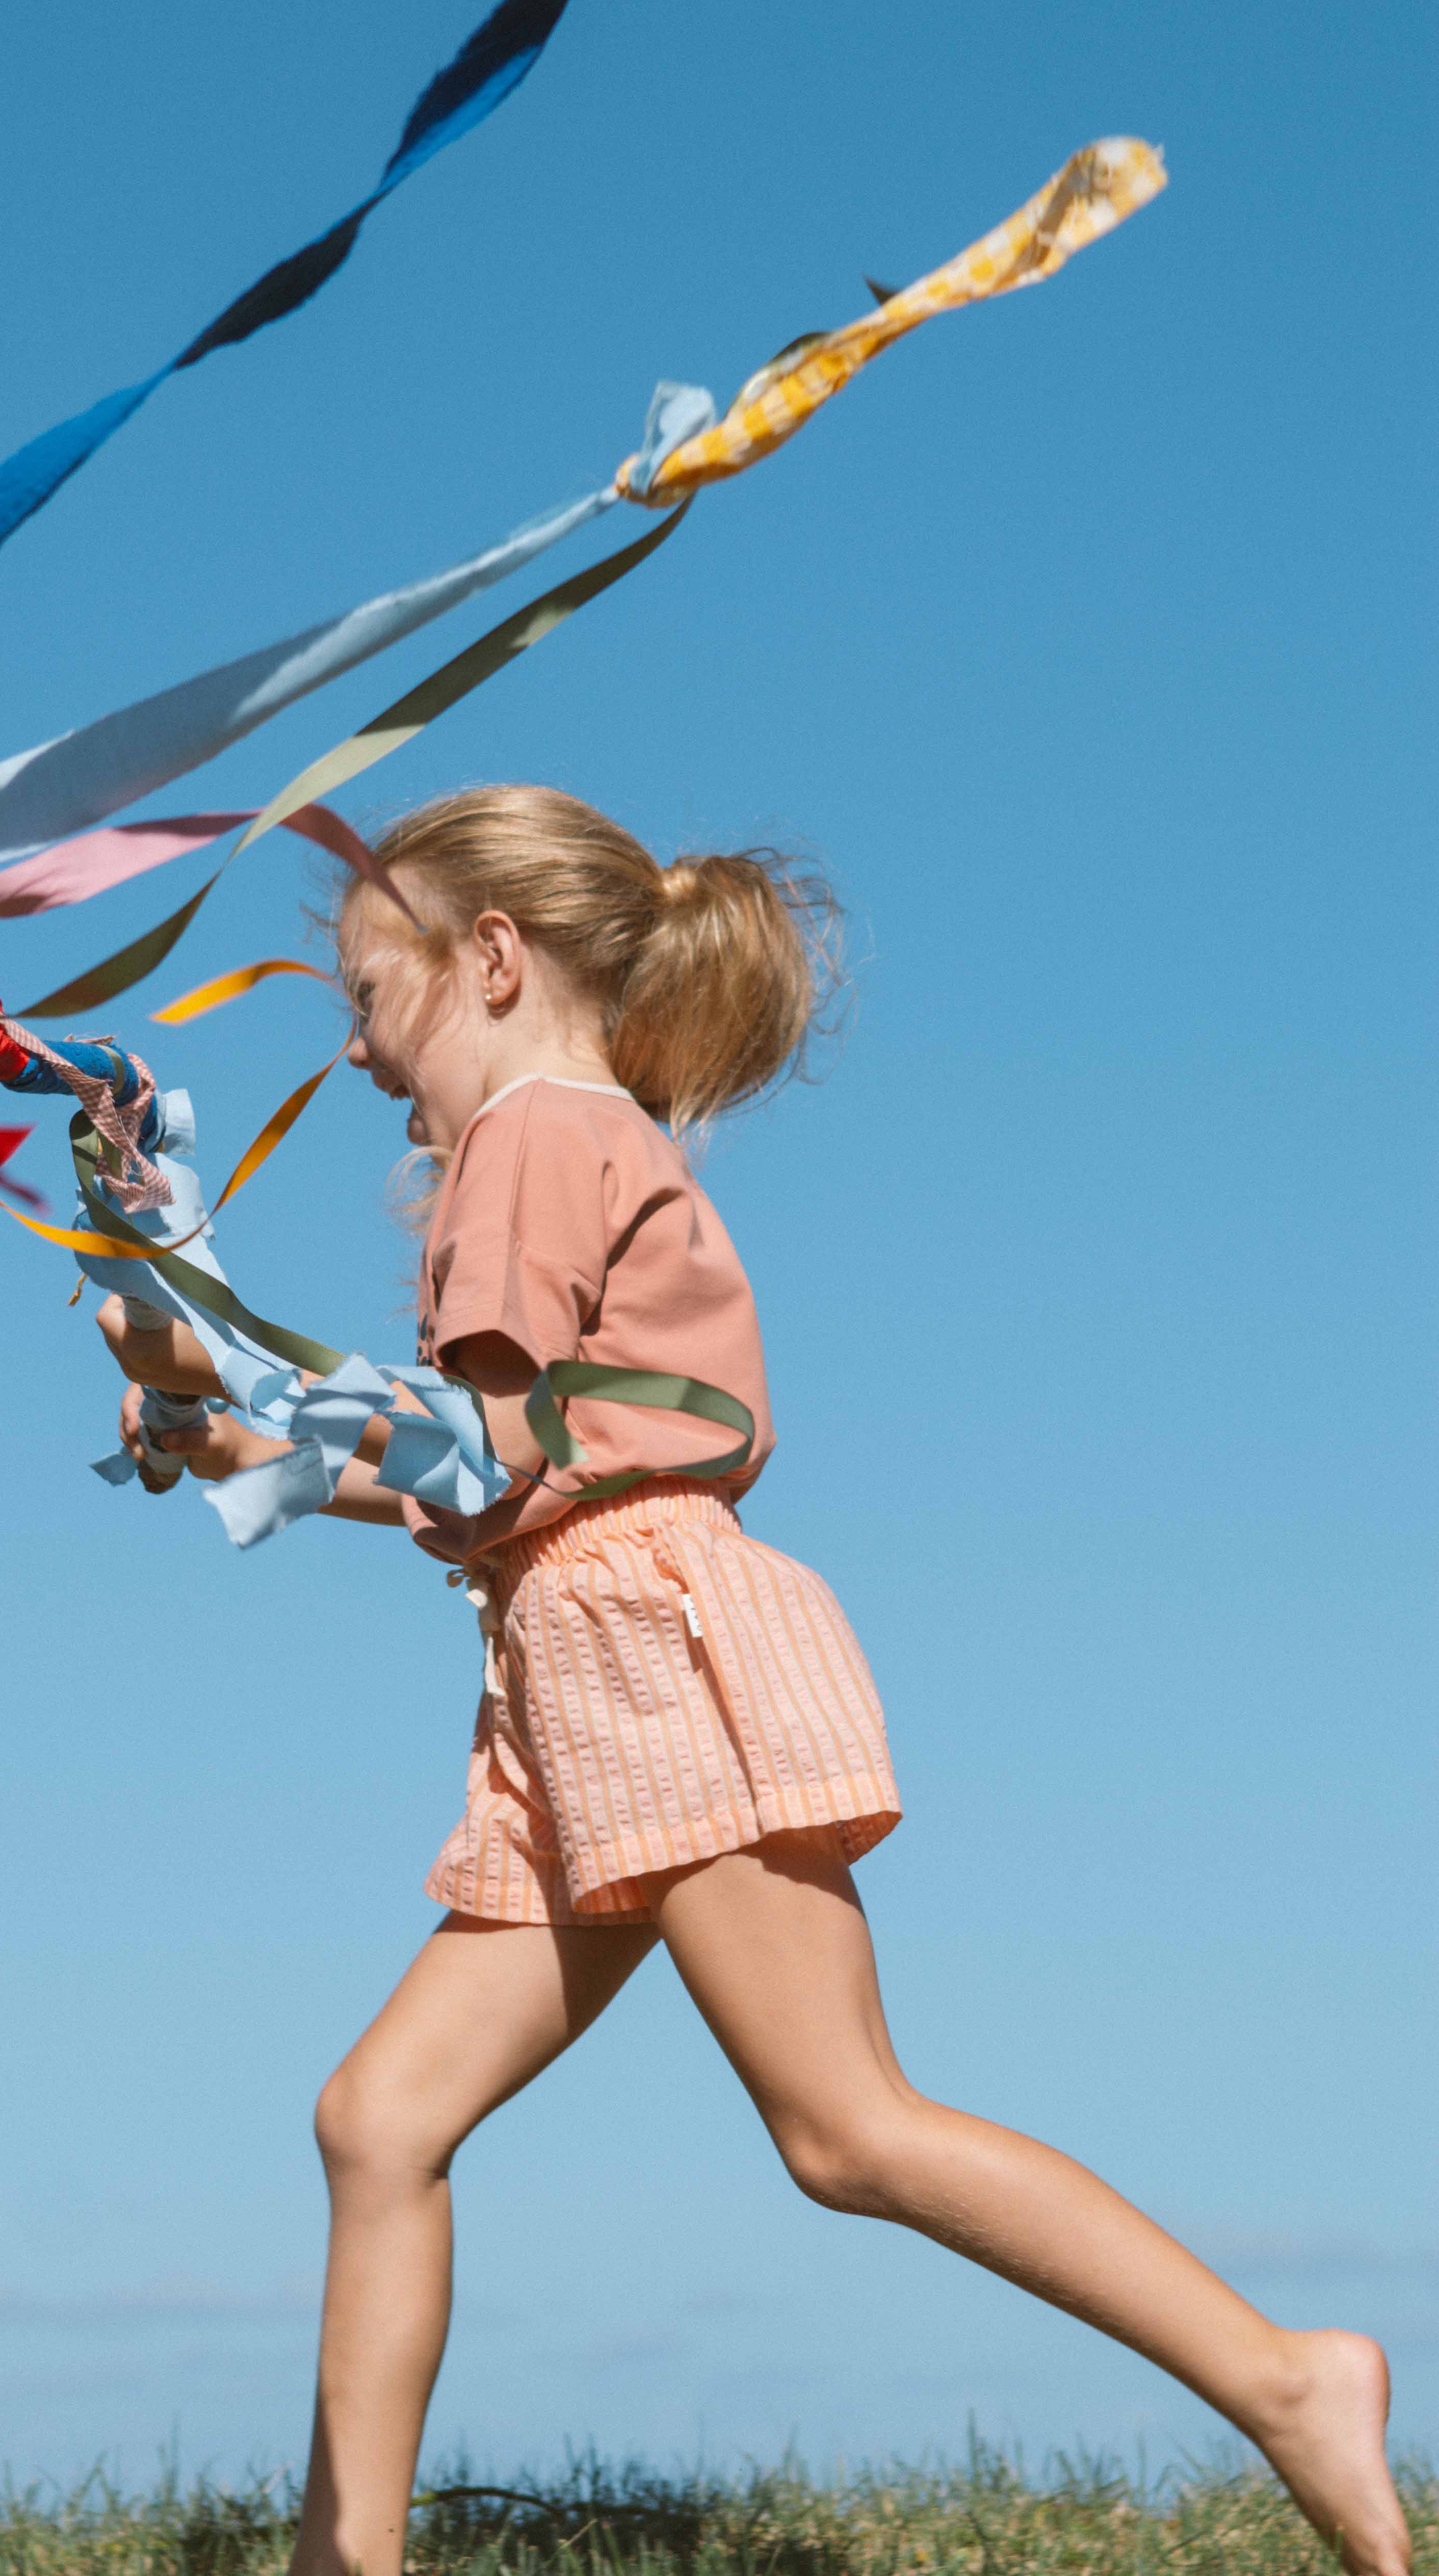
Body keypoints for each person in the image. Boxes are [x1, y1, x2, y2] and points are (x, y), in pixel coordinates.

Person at [97, 786, 1408, 2576]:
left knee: (848, 2129)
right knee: (381, 2117)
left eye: (367, 991)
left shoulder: (534, 1136)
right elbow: (487, 1472)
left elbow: (477, 1442)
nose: (355, 1043)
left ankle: (1290, 2378)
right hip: (571, 1656)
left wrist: (207, 1348)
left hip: (643, 1645)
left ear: (490, 960)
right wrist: (218, 1427)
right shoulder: (568, 1138)